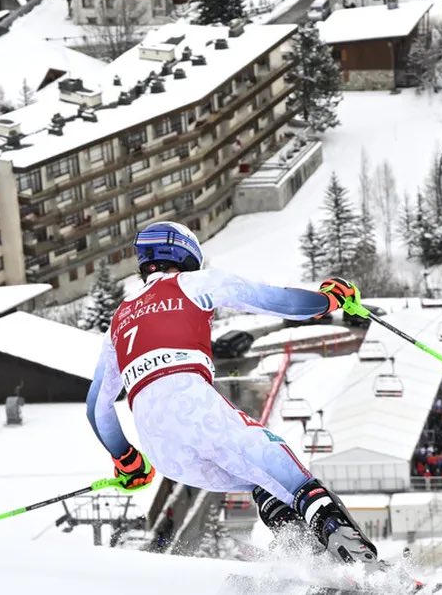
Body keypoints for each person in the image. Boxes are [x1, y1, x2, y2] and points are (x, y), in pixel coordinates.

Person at [86, 221, 379, 564]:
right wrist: (329, 300)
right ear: (186, 253)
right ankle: (363, 564)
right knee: (283, 467)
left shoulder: (120, 318)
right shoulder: (194, 283)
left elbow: (97, 408)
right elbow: (278, 302)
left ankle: (306, 558)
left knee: (260, 480)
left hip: (161, 449)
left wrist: (127, 460)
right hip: (192, 405)